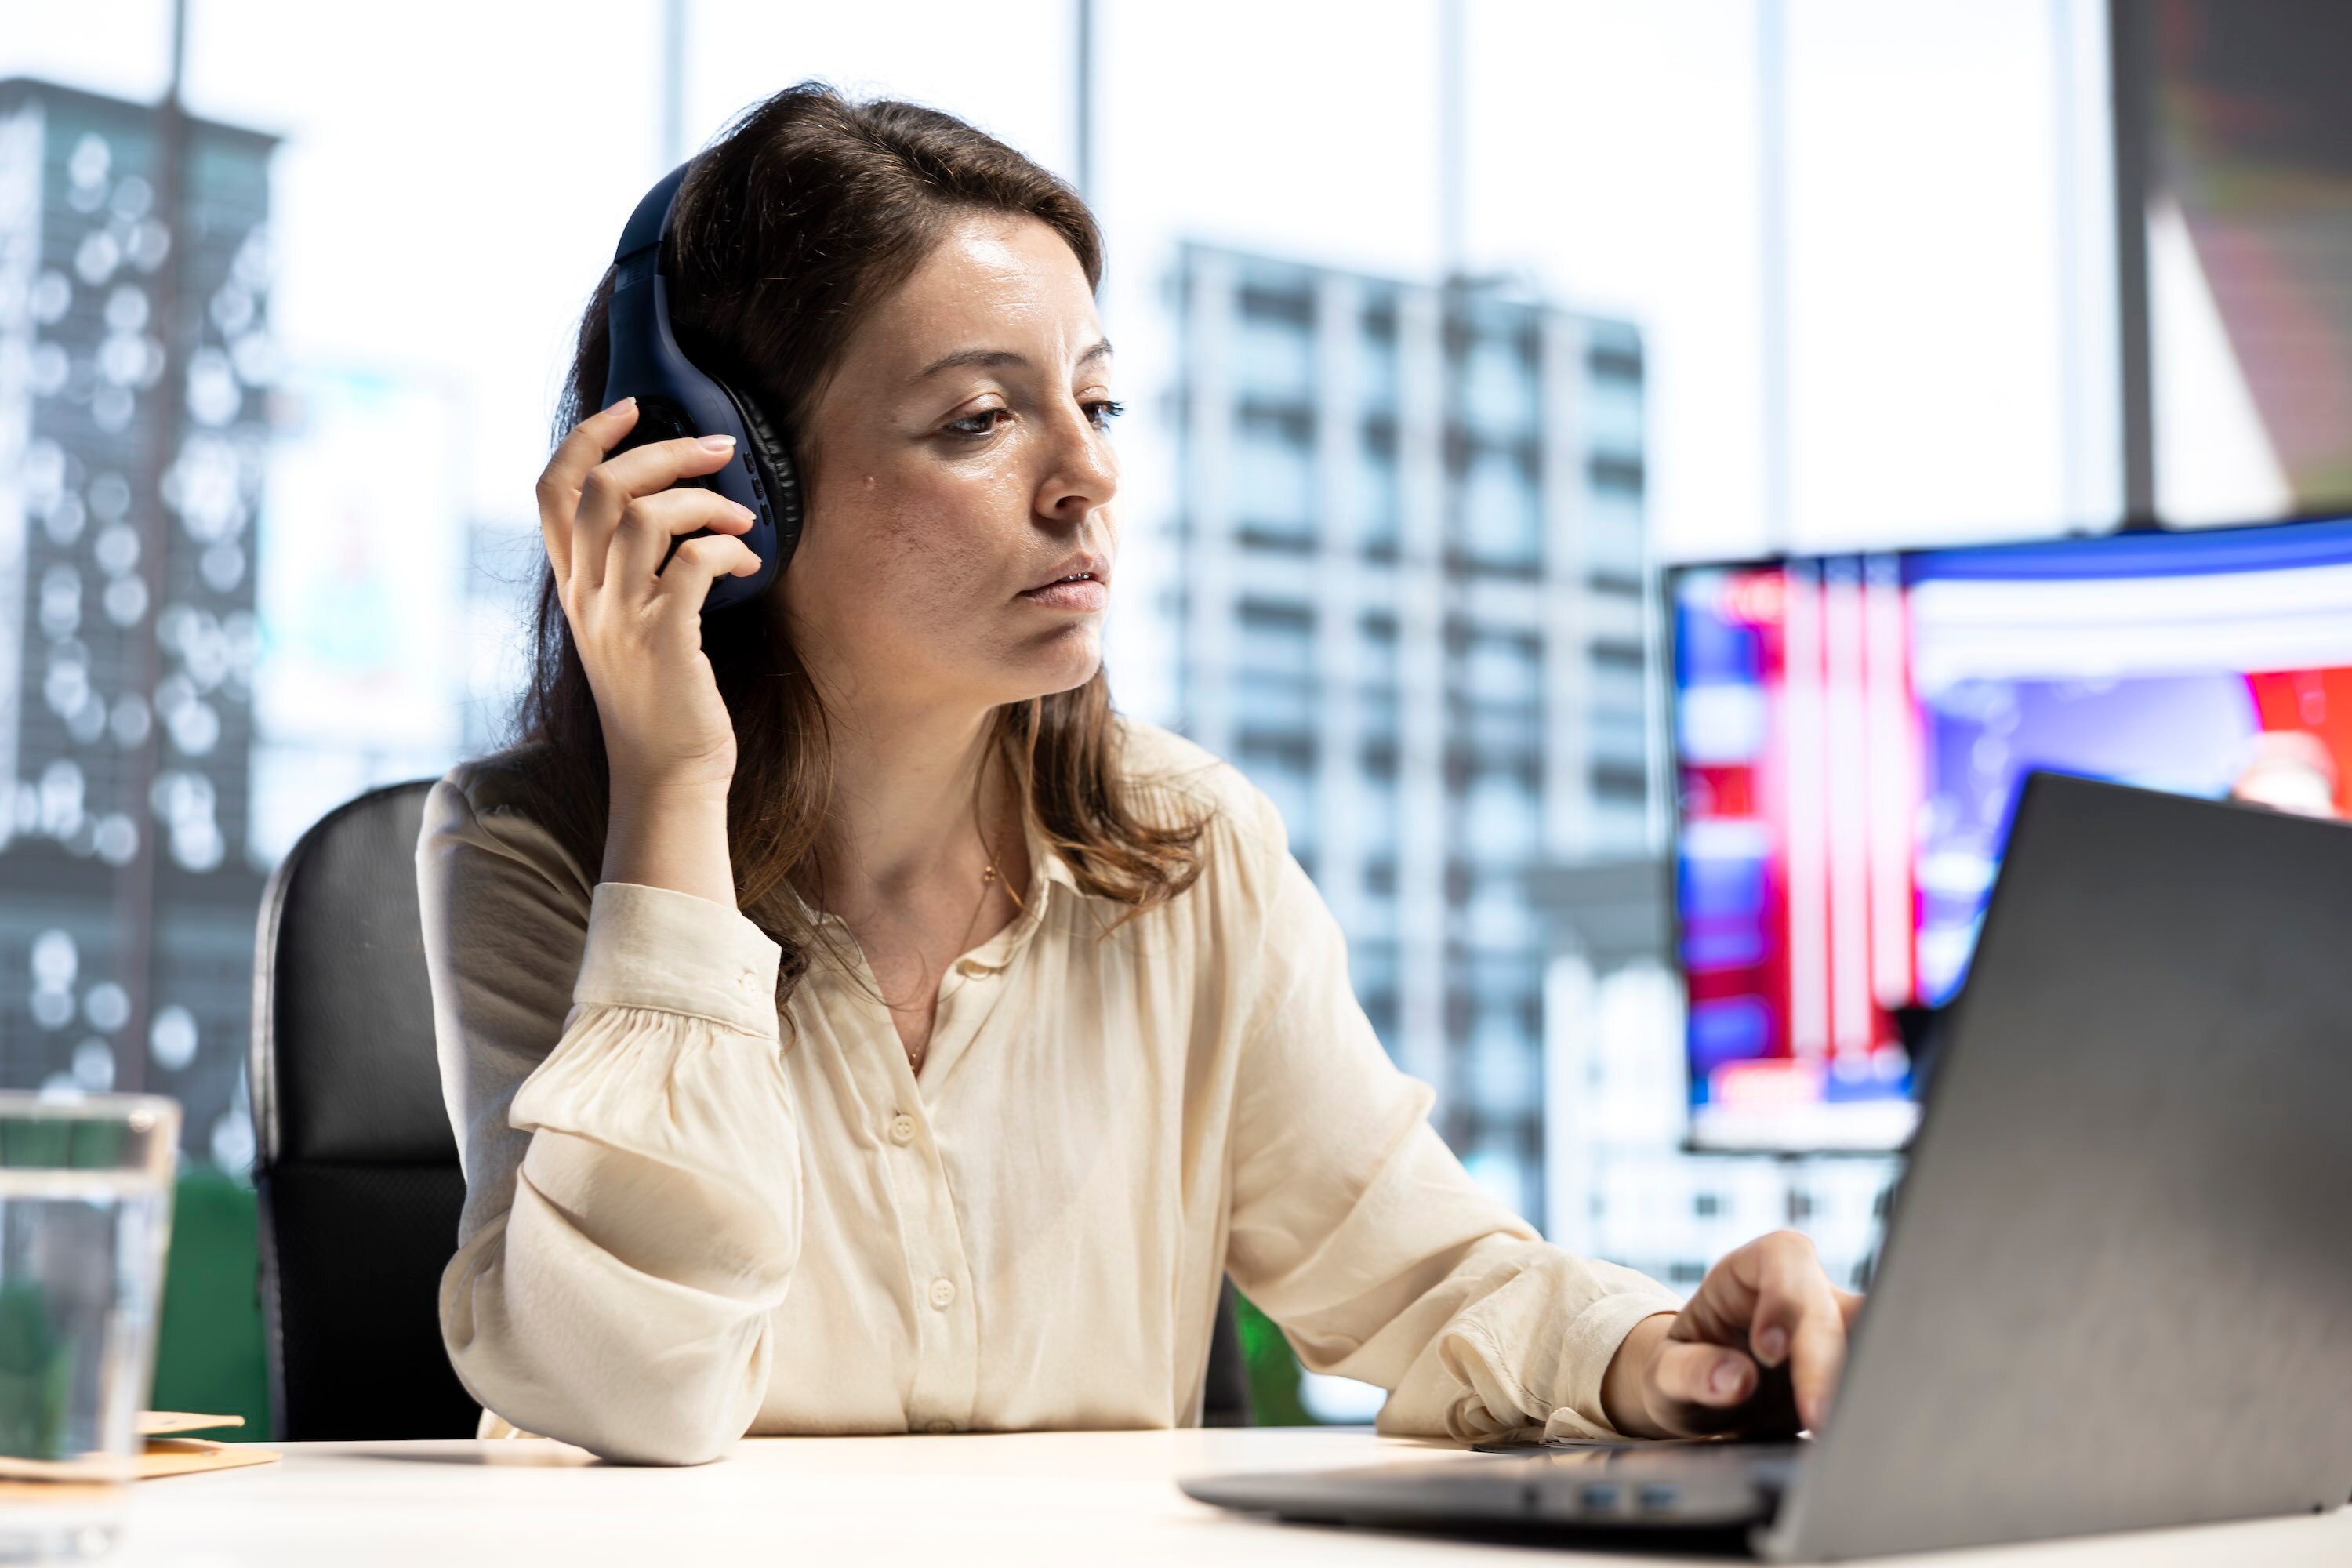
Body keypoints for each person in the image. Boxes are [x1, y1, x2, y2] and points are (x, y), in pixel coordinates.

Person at [418, 81, 1860, 1467]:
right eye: (981, 419)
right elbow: (626, 1387)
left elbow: (1425, 1278)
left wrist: (1669, 1354)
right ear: (731, 487)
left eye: (1094, 407)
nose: (1086, 477)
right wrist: (669, 785)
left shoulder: (1184, 844)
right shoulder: (532, 852)